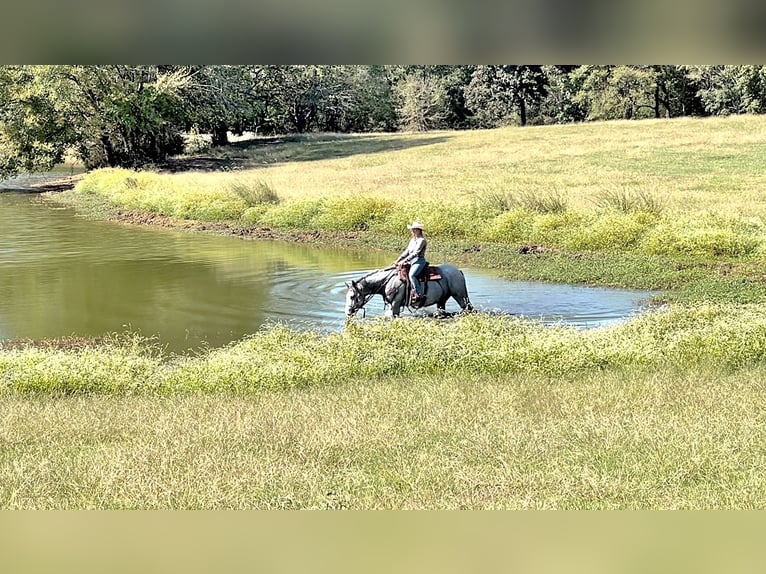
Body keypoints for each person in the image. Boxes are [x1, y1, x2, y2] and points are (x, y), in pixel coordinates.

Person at [395, 220, 427, 303]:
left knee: (412, 275)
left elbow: (416, 253)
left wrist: (404, 260)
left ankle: (419, 294)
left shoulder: (422, 240)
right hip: (411, 261)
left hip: (419, 261)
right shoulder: (412, 240)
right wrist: (398, 259)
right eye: (413, 229)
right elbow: (407, 251)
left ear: (419, 230)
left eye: (416, 229)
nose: (414, 231)